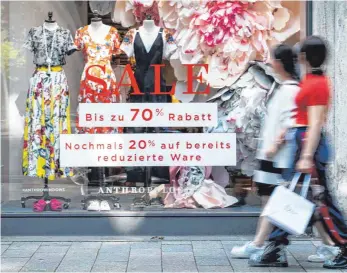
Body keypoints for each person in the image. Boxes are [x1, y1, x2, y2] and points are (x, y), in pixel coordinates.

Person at [249, 36, 347, 269]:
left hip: (306, 143)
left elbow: (314, 123)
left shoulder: (316, 85)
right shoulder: (312, 80)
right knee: (300, 197)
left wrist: (305, 156)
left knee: (316, 200)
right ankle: (276, 246)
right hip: (301, 140)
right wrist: (284, 136)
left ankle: (278, 246)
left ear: (303, 56)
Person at [231, 44, 300, 258]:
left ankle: (260, 243)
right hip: (272, 155)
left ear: (280, 63)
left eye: (271, 59)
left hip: (278, 157)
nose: (268, 62)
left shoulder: (291, 90)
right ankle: (261, 243)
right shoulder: (284, 87)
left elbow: (291, 123)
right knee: (269, 202)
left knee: (272, 202)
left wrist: (273, 146)